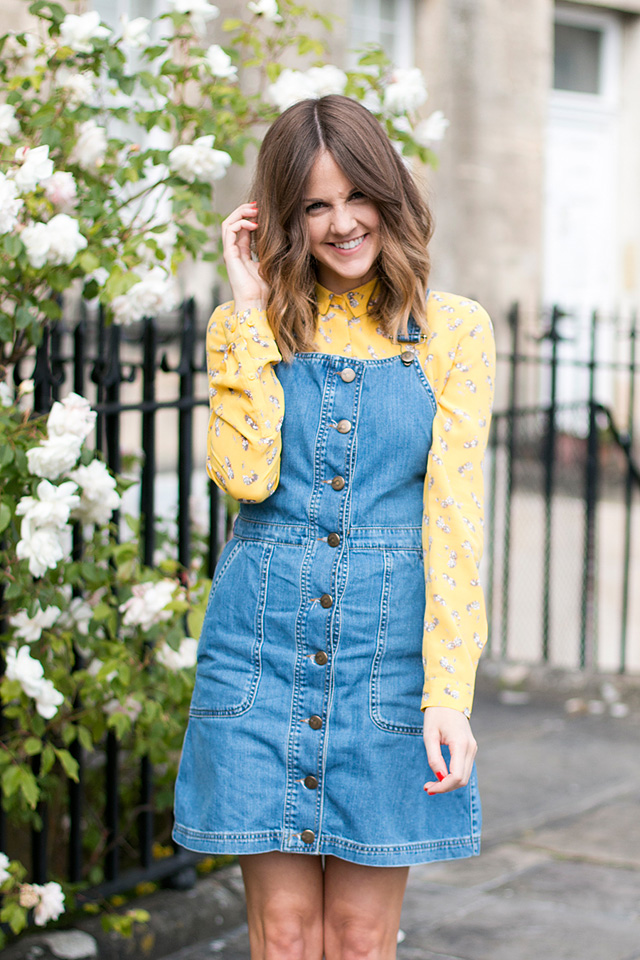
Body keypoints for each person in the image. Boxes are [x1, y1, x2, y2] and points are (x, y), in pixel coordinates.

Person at [173, 94, 495, 960]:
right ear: (284, 215)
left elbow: (456, 519)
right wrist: (246, 312)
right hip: (261, 650)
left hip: (382, 664)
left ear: (390, 196)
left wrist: (448, 695)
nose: (343, 223)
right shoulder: (253, 328)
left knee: (356, 939)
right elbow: (246, 478)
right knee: (283, 937)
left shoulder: (453, 331)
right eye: (315, 204)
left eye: (358, 196)